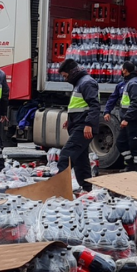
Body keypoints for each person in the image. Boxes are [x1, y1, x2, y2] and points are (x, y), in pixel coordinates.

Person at [103, 61, 137, 172]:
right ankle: (131, 165)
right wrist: (107, 111)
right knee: (122, 142)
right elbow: (113, 98)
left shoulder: (136, 83)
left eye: (122, 69)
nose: (121, 71)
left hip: (135, 120)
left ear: (125, 70)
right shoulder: (122, 85)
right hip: (127, 119)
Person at [57, 58, 99, 192]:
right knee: (81, 160)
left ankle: (60, 189)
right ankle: (87, 190)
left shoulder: (86, 83)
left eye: (65, 76)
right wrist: (70, 119)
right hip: (78, 124)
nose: (65, 79)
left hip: (83, 127)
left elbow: (94, 105)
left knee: (65, 156)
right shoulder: (80, 83)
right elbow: (80, 106)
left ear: (71, 72)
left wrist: (89, 124)